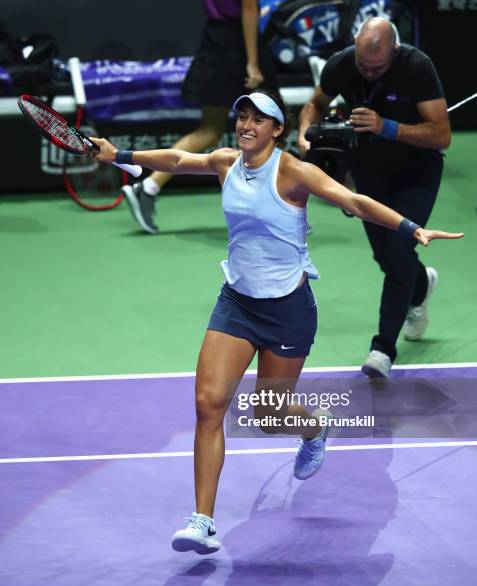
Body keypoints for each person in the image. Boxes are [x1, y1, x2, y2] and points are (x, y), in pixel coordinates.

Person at [90, 89, 462, 555]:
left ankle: (314, 428)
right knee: (209, 405)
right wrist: (120, 154)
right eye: (241, 116)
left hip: (288, 310)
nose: (246, 125)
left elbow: (354, 200)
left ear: (277, 129)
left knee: (269, 414)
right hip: (237, 303)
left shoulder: (295, 173)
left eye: (257, 119)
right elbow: (180, 158)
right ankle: (202, 520)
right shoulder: (227, 162)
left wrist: (411, 228)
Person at [298, 17, 452, 379]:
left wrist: (387, 127)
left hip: (416, 173)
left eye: (377, 67)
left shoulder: (417, 67)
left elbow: (441, 134)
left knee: (399, 249)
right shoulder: (341, 64)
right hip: (367, 173)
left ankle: (383, 348)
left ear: (394, 51)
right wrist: (307, 136)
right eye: (363, 66)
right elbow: (314, 105)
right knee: (385, 255)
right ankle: (420, 287)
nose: (368, 72)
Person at [122, 0, 276, 234]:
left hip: (214, 40)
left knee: (209, 130)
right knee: (269, 131)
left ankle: (148, 186)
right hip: (240, 44)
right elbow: (248, 8)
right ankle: (278, 211)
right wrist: (253, 63)